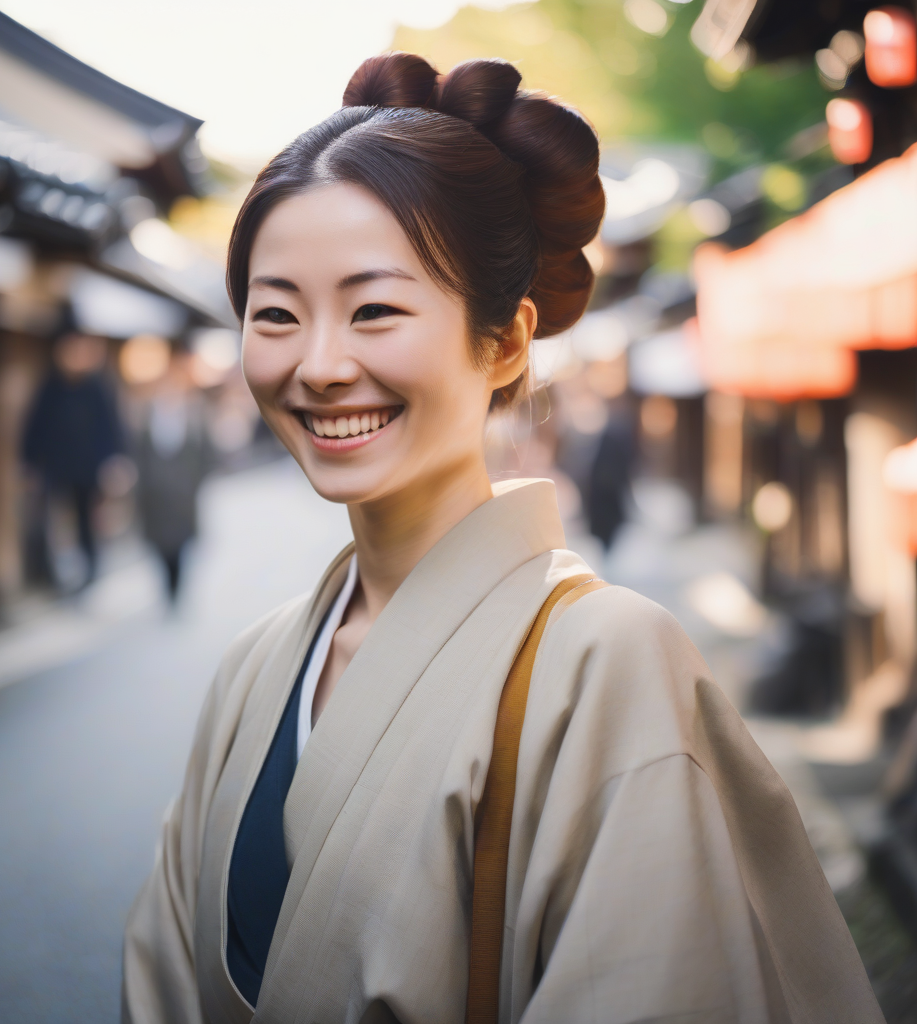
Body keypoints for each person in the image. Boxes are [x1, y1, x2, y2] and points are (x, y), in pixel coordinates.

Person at [123, 54, 883, 1024]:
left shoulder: (605, 663)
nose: (318, 365)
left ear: (508, 341)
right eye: (275, 314)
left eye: (375, 310)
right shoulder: (252, 669)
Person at [22, 309, 123, 591]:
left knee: (86, 524)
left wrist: (113, 461)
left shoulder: (96, 387)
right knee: (54, 524)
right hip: (56, 469)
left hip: (89, 471)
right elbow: (35, 427)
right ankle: (54, 576)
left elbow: (111, 428)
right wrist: (29, 461)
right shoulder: (50, 386)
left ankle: (89, 570)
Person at [133, 346, 214, 603]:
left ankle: (176, 588)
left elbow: (207, 456)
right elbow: (138, 454)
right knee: (158, 545)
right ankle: (167, 586)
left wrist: (194, 482)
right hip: (155, 497)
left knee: (180, 544)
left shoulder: (193, 419)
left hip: (182, 496)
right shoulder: (146, 419)